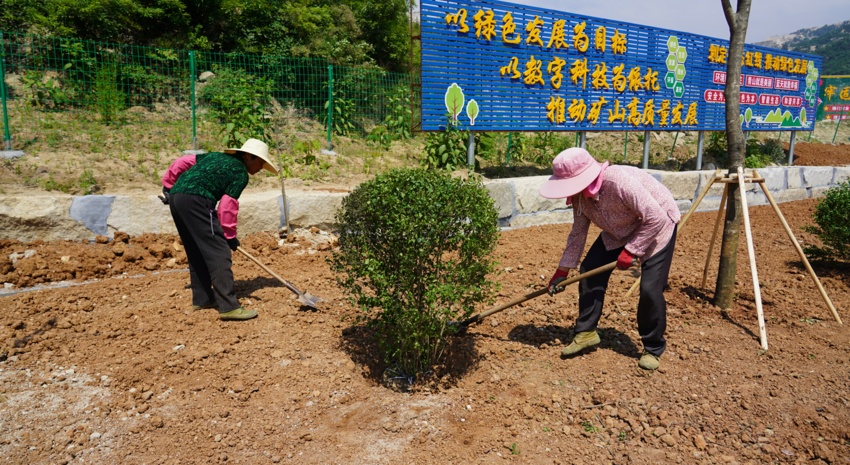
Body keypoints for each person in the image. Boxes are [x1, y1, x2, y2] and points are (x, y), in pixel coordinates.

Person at [539, 147, 680, 370]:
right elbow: (577, 234)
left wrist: (632, 250)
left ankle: (653, 347)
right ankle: (586, 332)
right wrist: (562, 270)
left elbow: (656, 218)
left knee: (650, 289)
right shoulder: (579, 198)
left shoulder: (619, 182)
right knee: (589, 269)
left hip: (656, 226)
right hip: (619, 232)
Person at [160, 138, 278, 321]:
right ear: (248, 156)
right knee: (219, 252)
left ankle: (203, 299)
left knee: (196, 250)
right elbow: (227, 207)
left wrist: (169, 185)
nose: (261, 167)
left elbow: (181, 162)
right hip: (198, 200)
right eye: (260, 162)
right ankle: (229, 307)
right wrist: (229, 237)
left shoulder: (214, 156)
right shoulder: (240, 173)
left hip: (176, 197)